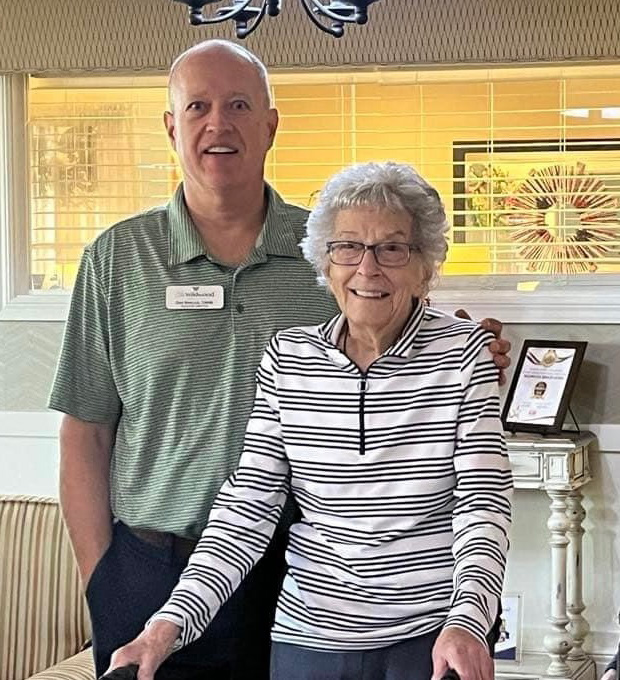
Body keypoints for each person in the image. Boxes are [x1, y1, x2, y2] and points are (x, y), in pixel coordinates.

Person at [49, 40, 511, 680]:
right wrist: (103, 577)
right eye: (199, 106)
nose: (219, 124)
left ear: (270, 124)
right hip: (159, 565)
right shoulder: (119, 258)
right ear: (171, 126)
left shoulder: (320, 248)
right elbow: (87, 428)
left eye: (239, 104)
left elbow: (477, 494)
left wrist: (465, 345)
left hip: (303, 578)